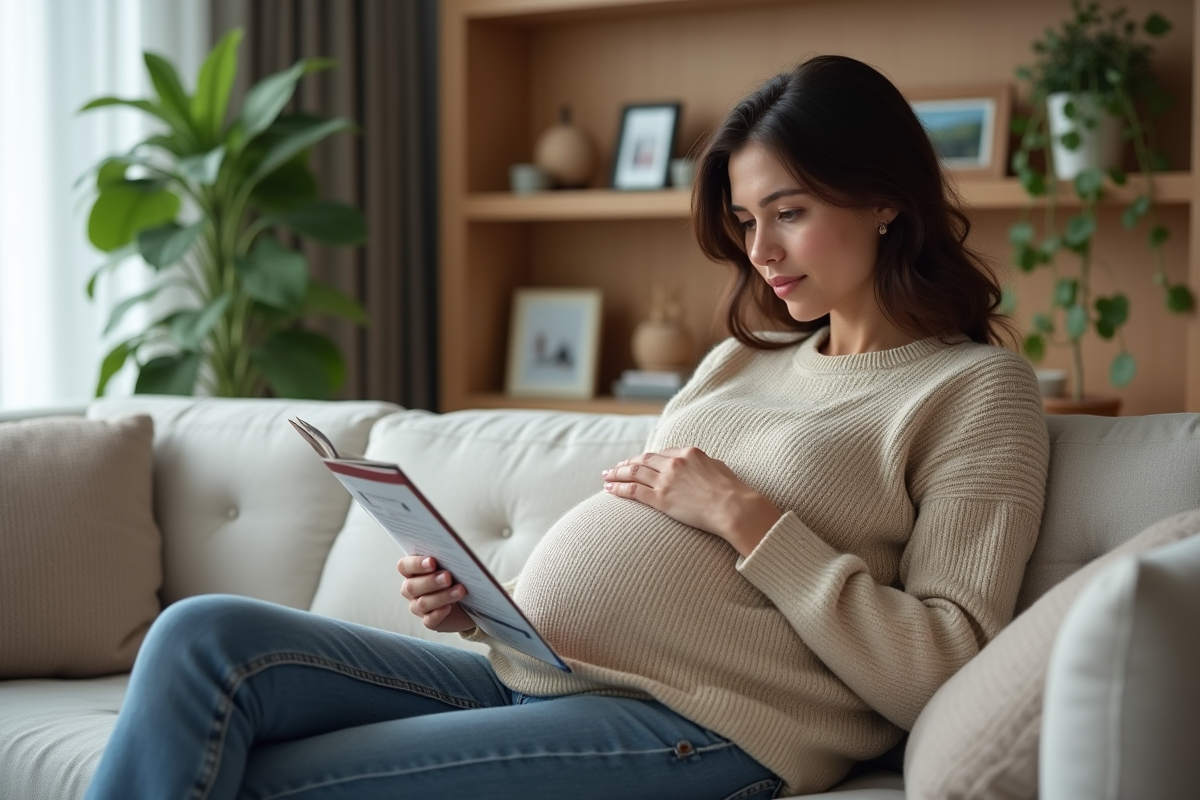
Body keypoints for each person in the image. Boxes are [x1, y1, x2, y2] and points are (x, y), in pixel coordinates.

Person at [84, 55, 1049, 800]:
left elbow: (945, 667)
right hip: (535, 672)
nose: (760, 253)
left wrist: (746, 515)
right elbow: (641, 545)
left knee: (265, 777)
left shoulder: (974, 392)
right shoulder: (739, 360)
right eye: (746, 220)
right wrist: (481, 603)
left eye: (787, 213)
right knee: (202, 635)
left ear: (884, 198)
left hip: (699, 728)